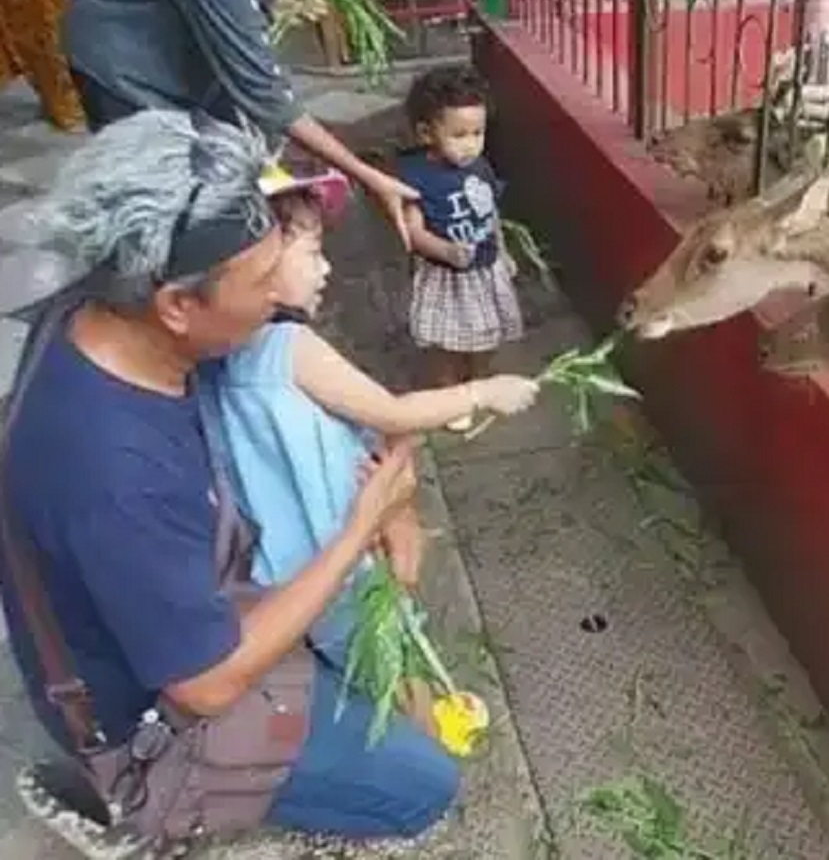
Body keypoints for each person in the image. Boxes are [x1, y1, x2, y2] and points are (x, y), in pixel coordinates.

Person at [0, 110, 458, 855]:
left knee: (365, 681)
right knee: (422, 785)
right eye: (261, 277)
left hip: (180, 595)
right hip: (149, 710)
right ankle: (135, 802)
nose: (281, 293)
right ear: (177, 305)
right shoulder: (113, 471)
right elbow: (204, 686)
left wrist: (391, 499)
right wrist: (358, 526)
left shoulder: (101, 309)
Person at [212, 172, 540, 732]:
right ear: (257, 259)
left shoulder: (222, 348)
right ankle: (428, 733)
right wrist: (484, 392)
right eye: (313, 251)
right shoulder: (287, 346)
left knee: (351, 639)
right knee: (386, 642)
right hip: (331, 547)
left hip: (280, 557)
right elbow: (390, 411)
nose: (327, 268)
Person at [60, 0, 418, 245]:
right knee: (163, 198)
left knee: (231, 163)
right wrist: (366, 176)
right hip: (119, 58)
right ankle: (158, 291)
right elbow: (265, 95)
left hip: (173, 32)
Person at [399, 65, 525, 432]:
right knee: (446, 344)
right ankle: (450, 395)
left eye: (478, 133)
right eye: (458, 134)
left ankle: (482, 384)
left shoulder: (480, 166)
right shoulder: (417, 178)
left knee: (487, 335)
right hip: (446, 277)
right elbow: (412, 231)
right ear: (426, 133)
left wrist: (503, 251)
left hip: (485, 270)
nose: (470, 143)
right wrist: (444, 250)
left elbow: (490, 214)